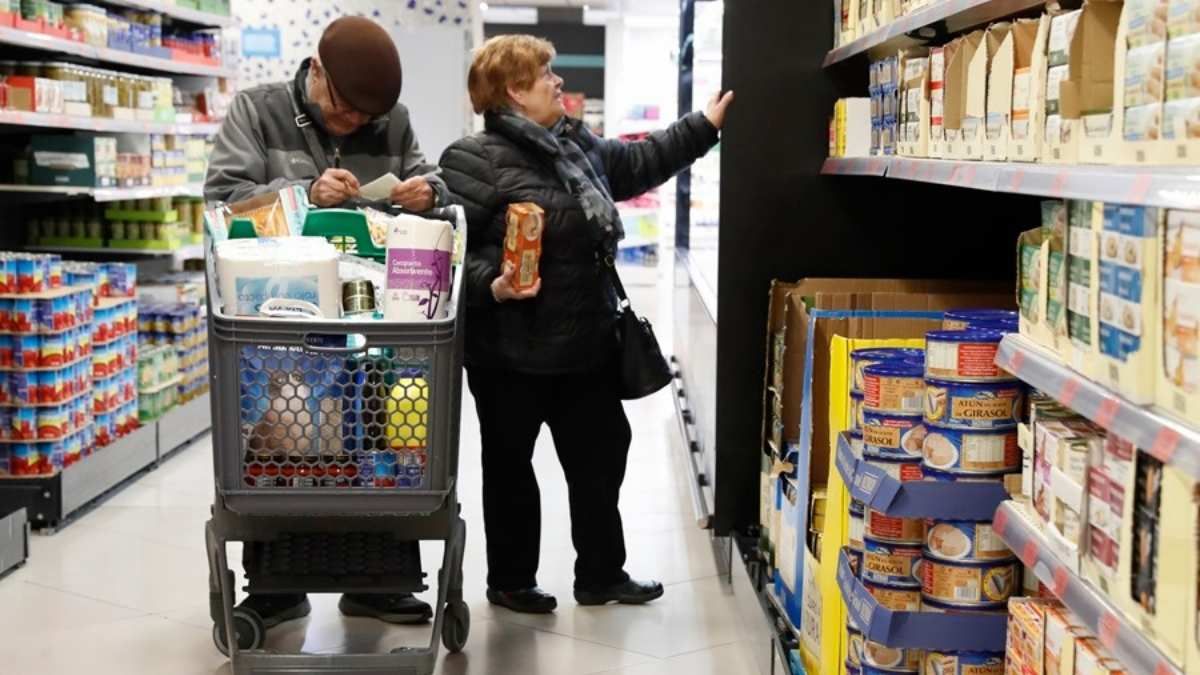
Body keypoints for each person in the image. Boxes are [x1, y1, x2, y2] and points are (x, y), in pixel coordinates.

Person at [439, 34, 733, 613]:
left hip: (586, 346)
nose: (558, 83)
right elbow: (453, 249)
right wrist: (491, 284)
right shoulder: (471, 158)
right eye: (545, 74)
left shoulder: (577, 146)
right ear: (515, 91)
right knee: (510, 470)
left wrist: (705, 124)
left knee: (601, 458)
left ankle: (600, 574)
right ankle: (511, 581)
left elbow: (640, 160)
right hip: (511, 355)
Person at [203, 16, 439, 629]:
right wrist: (305, 191)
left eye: (367, 117)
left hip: (374, 315)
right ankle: (276, 585)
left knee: (380, 432)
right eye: (344, 109)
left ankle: (382, 580)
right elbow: (225, 197)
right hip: (274, 319)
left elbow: (430, 177)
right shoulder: (256, 113)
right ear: (316, 72)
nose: (355, 123)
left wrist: (426, 194)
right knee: (281, 436)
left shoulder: (395, 119)